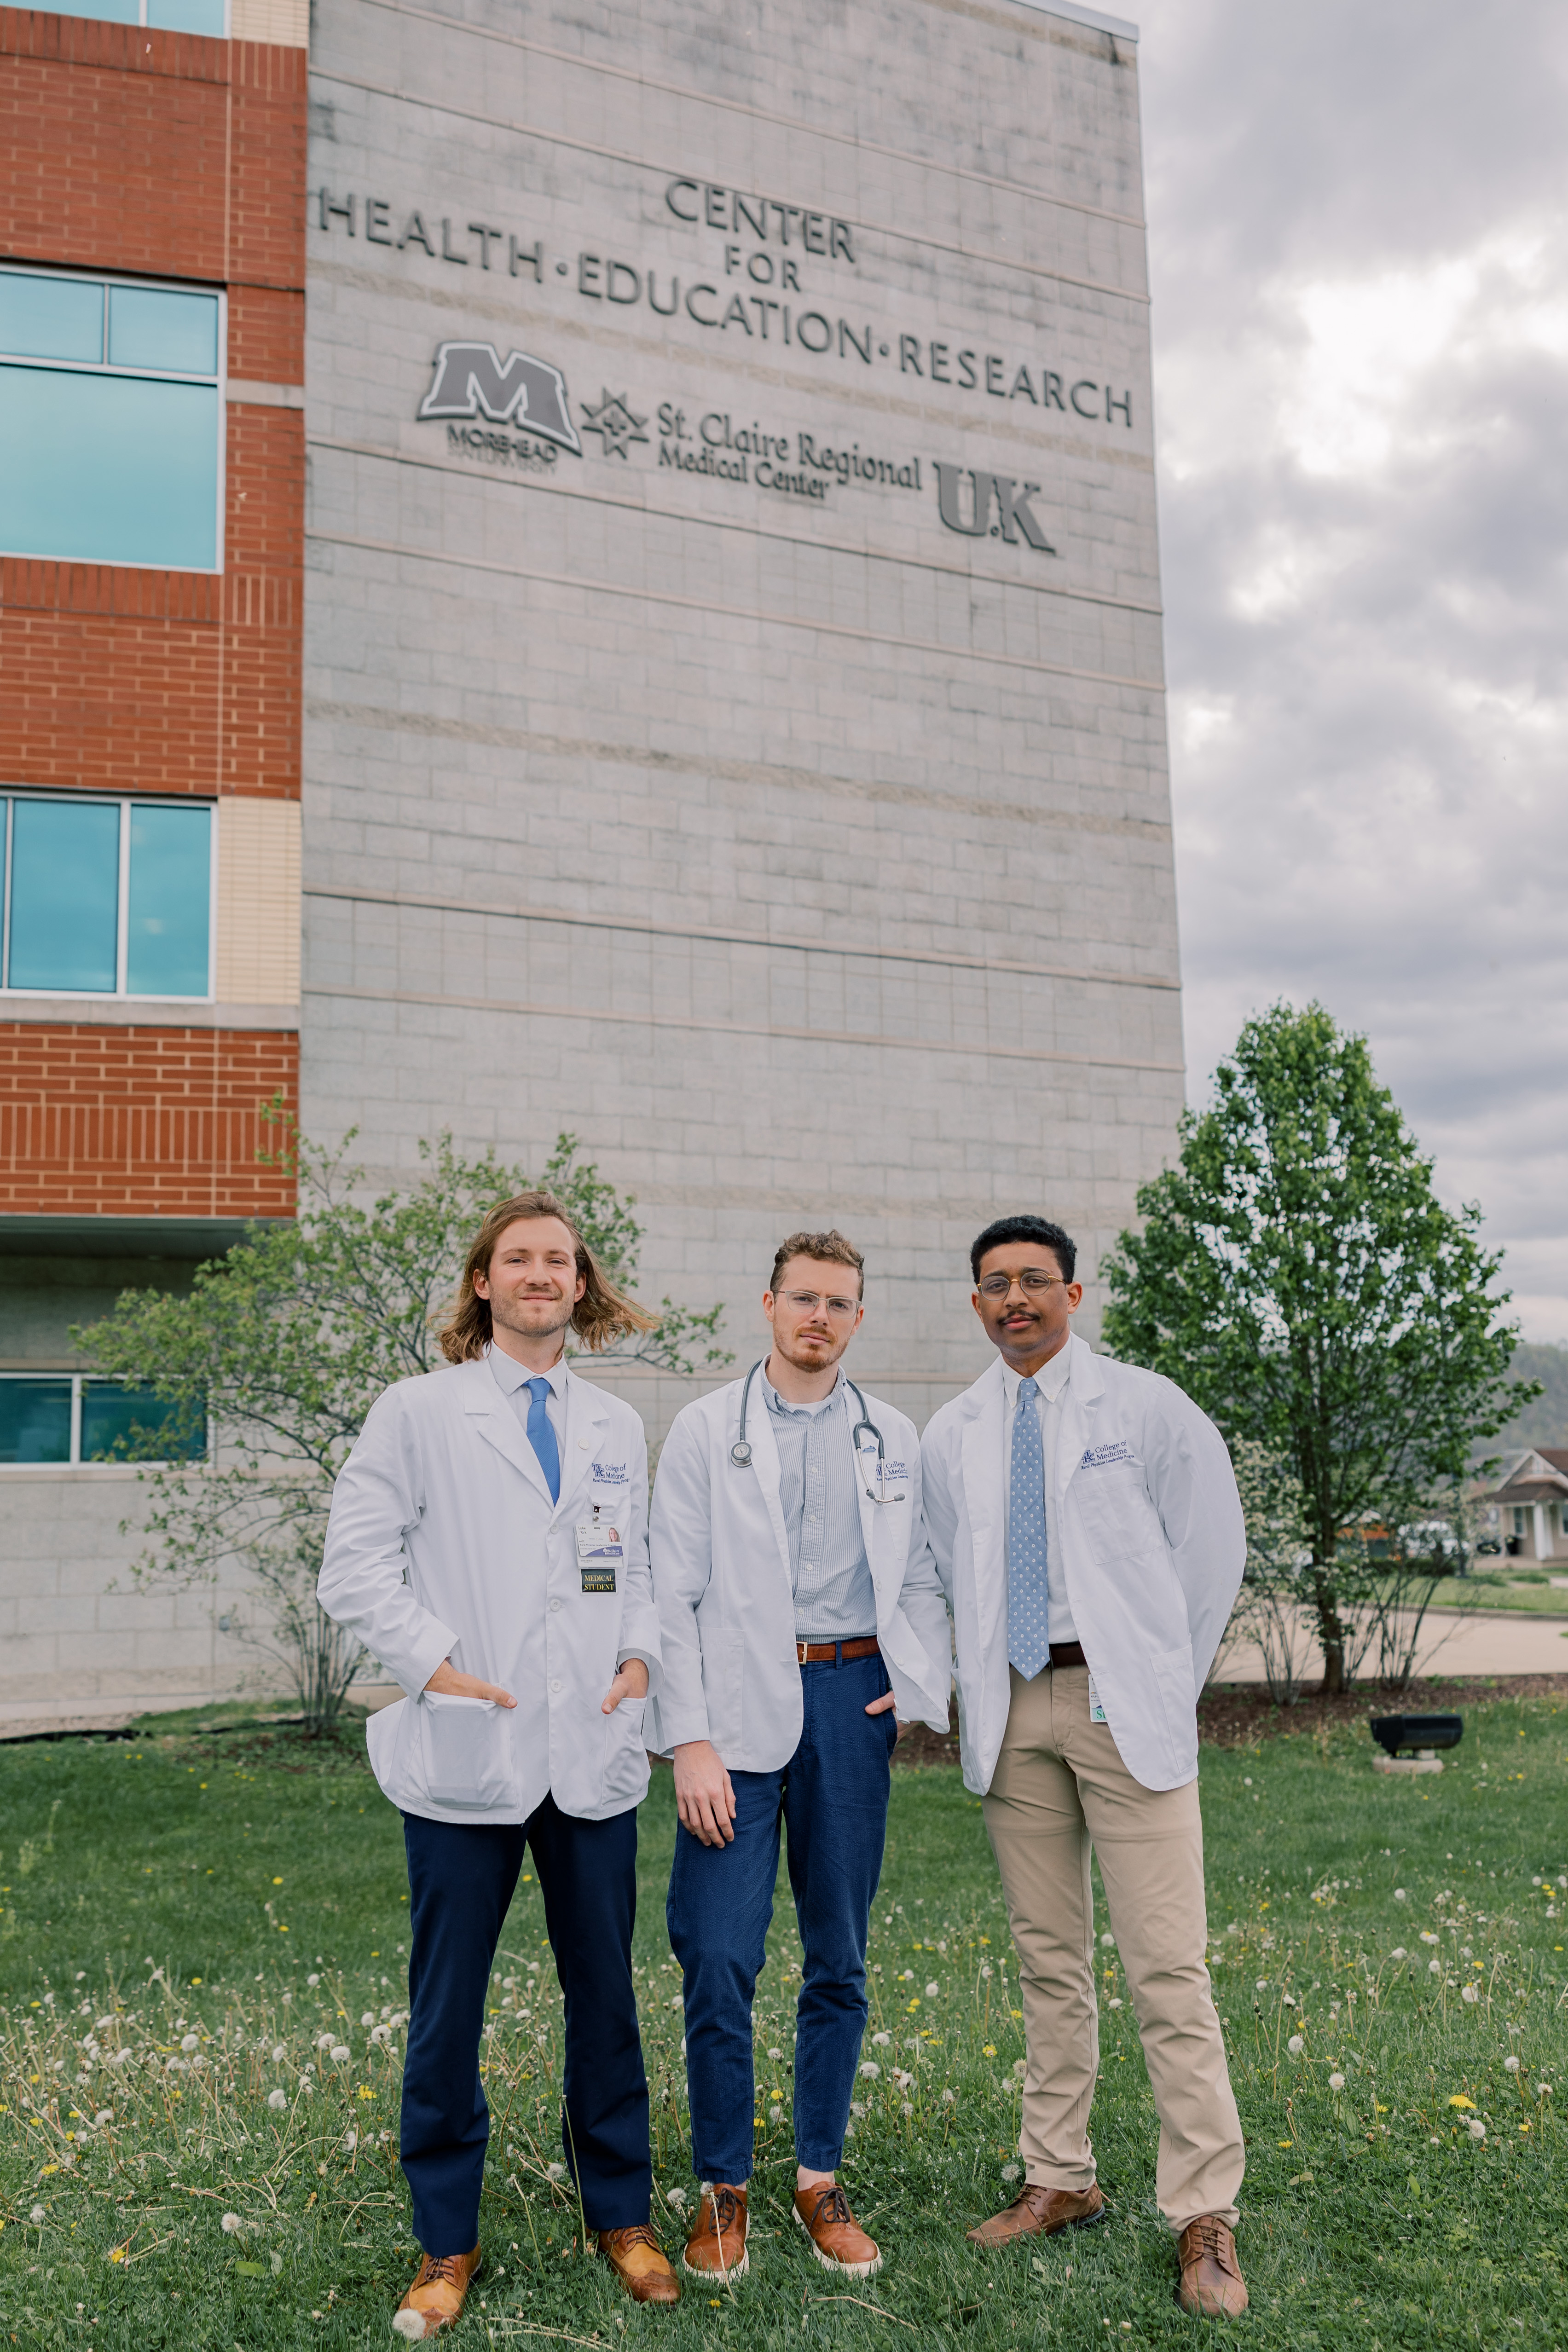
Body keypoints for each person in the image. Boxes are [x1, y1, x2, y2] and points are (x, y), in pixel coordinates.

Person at [318, 1192, 683, 2336]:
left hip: (586, 1751)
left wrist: (637, 1655)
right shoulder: (419, 1413)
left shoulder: (616, 1429)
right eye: (517, 1259)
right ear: (485, 1282)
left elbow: (637, 1574)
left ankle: (620, 2213)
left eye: (559, 1261)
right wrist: (436, 1664)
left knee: (606, 1997)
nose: (540, 1275)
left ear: (582, 1286)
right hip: (466, 1754)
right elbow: (355, 1566)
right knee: (447, 2008)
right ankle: (445, 2242)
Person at [920, 1214, 1249, 2319]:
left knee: (1167, 1967)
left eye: (1035, 1282)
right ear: (975, 1304)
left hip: (1122, 1702)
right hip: (1012, 1710)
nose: (1016, 1300)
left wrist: (1162, 1677)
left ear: (1073, 1291)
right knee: (1048, 1959)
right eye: (995, 1286)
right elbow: (929, 1569)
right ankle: (1058, 2178)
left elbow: (1212, 1551)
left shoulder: (1145, 1408)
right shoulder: (954, 1431)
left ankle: (1204, 2210)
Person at [647, 1231, 952, 2284]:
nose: (819, 1316)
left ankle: (817, 2177)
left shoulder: (892, 1438)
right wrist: (687, 1738)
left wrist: (911, 1685)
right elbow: (668, 1592)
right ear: (768, 1303)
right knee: (721, 1954)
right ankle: (722, 2186)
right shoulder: (703, 1431)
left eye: (840, 1302)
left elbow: (920, 1575)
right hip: (730, 1708)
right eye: (803, 1298)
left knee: (841, 1955)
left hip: (846, 1704)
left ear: (859, 1319)